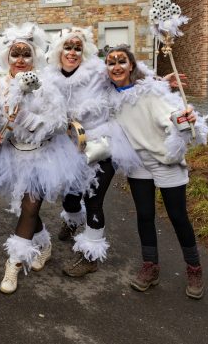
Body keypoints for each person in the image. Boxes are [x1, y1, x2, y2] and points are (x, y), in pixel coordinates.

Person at [0, 23, 96, 294]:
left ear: (34, 57)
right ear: (7, 57)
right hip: (12, 156)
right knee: (23, 207)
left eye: (26, 54)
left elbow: (59, 123)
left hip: (43, 157)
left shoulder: (46, 84)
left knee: (29, 207)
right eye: (15, 54)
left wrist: (29, 119)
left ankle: (13, 264)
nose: (20, 59)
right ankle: (45, 244)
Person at [105, 44, 208, 299]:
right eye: (110, 63)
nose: (116, 66)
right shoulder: (109, 97)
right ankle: (150, 266)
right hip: (138, 163)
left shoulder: (150, 92)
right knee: (144, 215)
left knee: (177, 215)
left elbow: (172, 114)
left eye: (122, 61)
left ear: (132, 66)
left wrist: (185, 119)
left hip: (165, 159)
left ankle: (194, 268)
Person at [44, 27, 141, 277]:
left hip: (102, 145)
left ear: (83, 51)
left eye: (77, 47)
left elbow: (127, 73)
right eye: (68, 47)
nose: (73, 52)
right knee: (69, 198)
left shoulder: (97, 71)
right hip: (68, 148)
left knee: (93, 200)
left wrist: (161, 82)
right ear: (59, 50)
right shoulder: (49, 76)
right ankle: (73, 220)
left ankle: (90, 257)